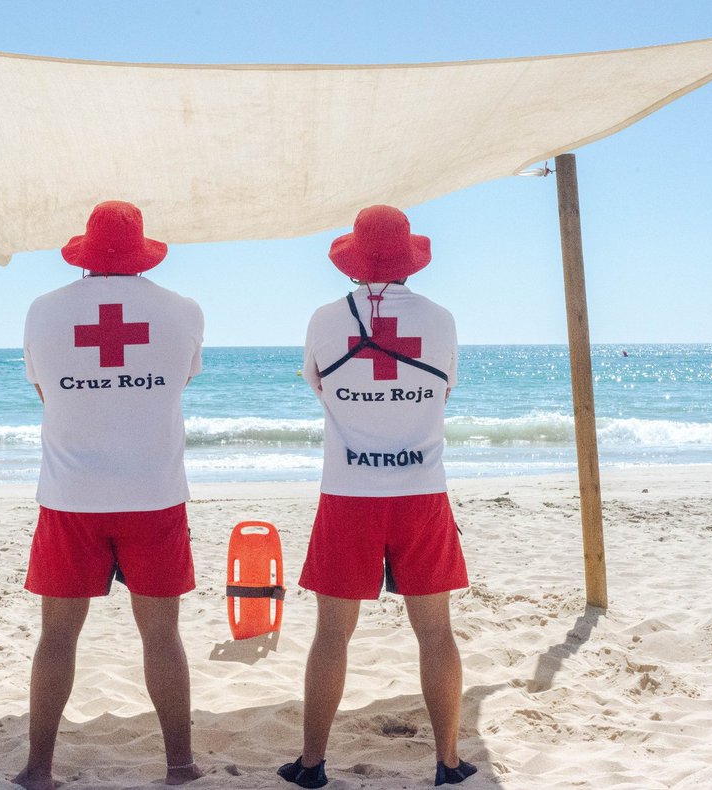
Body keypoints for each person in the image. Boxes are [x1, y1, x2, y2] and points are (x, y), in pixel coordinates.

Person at [280, 205, 475, 788]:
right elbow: (444, 392)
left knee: (331, 633)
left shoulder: (322, 319)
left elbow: (319, 385)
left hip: (348, 493)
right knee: (435, 630)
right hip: (421, 492)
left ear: (353, 262)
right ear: (410, 261)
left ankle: (312, 764)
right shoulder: (440, 320)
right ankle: (447, 762)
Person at [14, 201, 205, 790]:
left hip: (72, 496)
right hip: (153, 494)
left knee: (57, 635)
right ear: (142, 250)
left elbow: (48, 393)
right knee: (162, 633)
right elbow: (179, 383)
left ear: (87, 254)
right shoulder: (183, 311)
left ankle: (38, 769)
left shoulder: (44, 311)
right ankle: (180, 765)